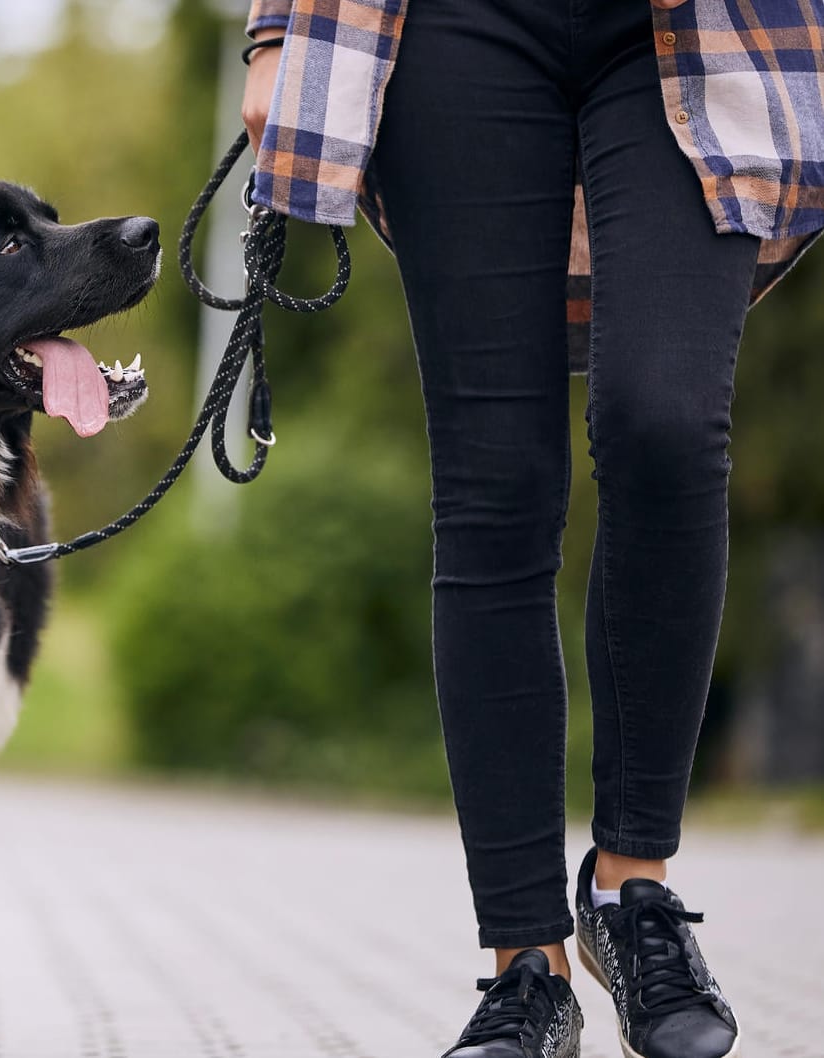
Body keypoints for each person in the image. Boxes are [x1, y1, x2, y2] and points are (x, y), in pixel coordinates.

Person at [242, 1, 822, 1056]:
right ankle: (526, 962)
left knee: (666, 419)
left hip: (702, 27)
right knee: (493, 478)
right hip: (452, 28)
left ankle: (631, 884)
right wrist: (279, 29)